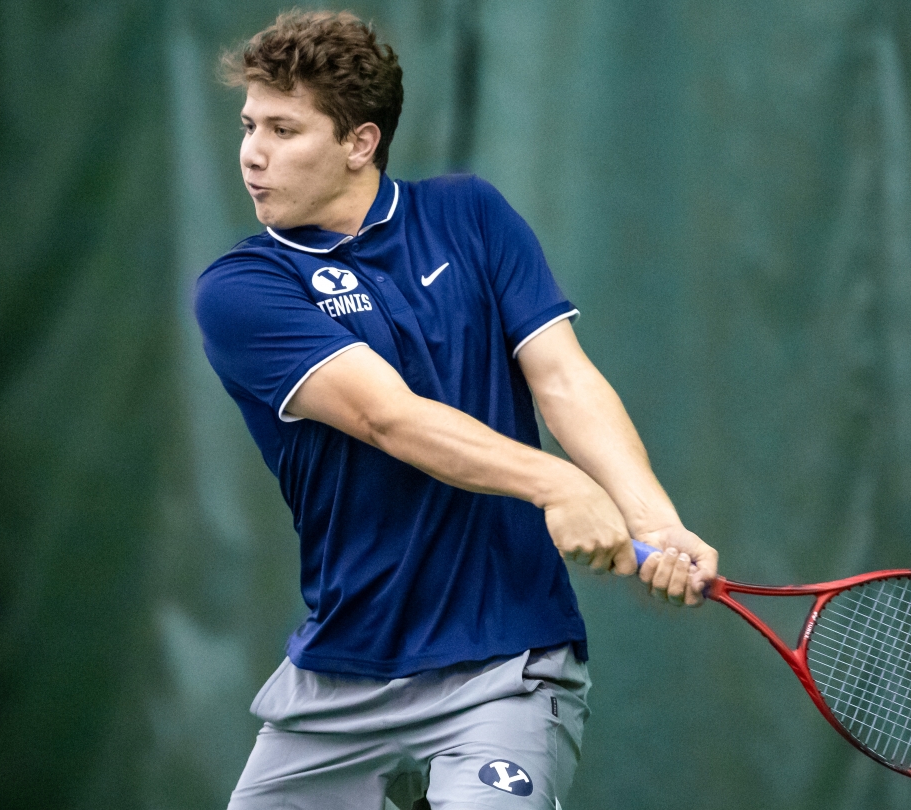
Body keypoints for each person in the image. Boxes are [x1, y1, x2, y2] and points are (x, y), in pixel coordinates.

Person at [193, 11, 718, 809]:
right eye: (249, 126)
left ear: (359, 143)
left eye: (283, 128)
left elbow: (563, 380)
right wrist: (560, 486)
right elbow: (387, 419)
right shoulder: (241, 290)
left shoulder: (471, 215)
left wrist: (653, 519)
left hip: (505, 667)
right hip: (340, 677)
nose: (252, 153)